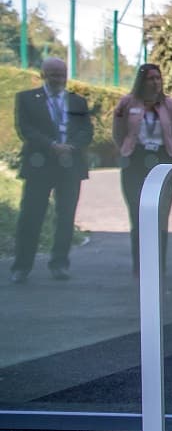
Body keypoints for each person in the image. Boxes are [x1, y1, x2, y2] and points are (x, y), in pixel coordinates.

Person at [11, 57, 94, 282]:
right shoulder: (27, 99)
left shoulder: (77, 102)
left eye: (62, 74)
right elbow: (25, 129)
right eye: (54, 74)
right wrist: (52, 145)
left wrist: (72, 147)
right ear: (43, 75)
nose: (58, 79)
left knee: (66, 216)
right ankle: (21, 267)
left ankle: (59, 264)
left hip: (70, 165)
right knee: (31, 216)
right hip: (40, 165)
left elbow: (87, 130)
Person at [111, 64, 172, 275]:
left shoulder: (169, 104)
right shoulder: (127, 103)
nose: (155, 83)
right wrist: (127, 150)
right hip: (135, 159)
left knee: (160, 214)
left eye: (158, 78)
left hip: (162, 157)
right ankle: (140, 266)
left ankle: (158, 266)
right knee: (138, 212)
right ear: (141, 82)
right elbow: (118, 132)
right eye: (150, 79)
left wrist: (164, 149)